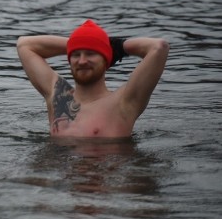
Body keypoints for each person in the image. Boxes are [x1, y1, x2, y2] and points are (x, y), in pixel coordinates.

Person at [16, 19, 169, 138]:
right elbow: (24, 45)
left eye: (90, 53)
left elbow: (158, 47)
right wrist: (80, 42)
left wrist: (116, 47)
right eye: (76, 54)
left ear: (106, 59)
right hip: (63, 176)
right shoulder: (59, 97)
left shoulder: (124, 101)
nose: (82, 61)